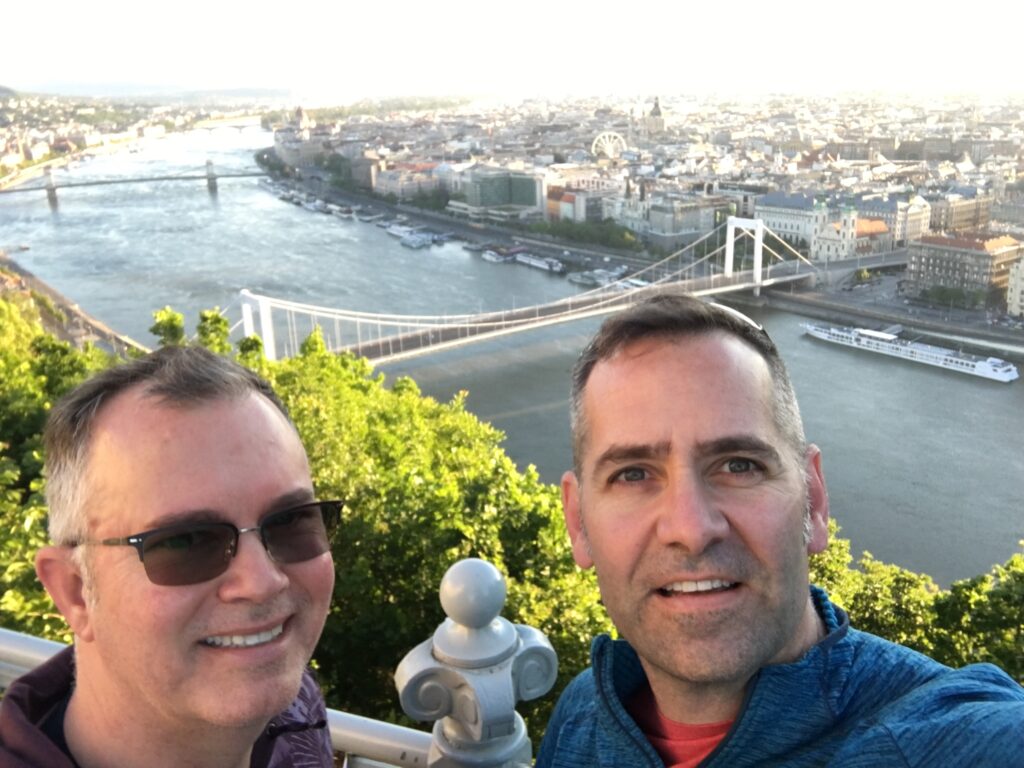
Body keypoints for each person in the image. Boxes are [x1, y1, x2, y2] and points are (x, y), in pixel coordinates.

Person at [536, 293, 1024, 768]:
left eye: (739, 465)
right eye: (634, 474)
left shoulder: (941, 735)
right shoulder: (584, 714)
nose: (691, 528)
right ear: (578, 522)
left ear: (814, 501)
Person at [0, 345, 338, 768]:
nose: (262, 581)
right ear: (75, 592)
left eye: (290, 522)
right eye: (187, 542)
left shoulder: (289, 700)